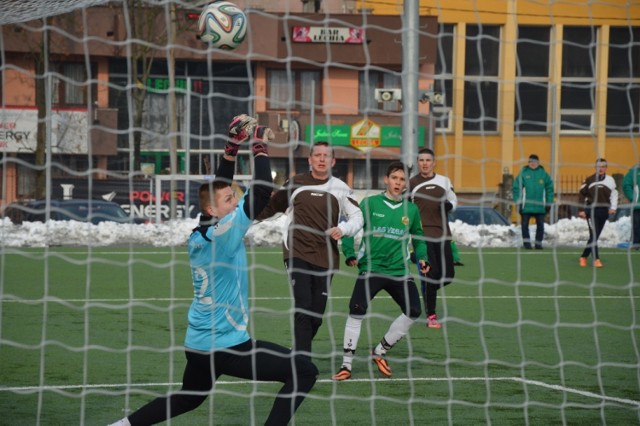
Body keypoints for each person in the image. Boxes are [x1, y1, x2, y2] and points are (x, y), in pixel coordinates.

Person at [108, 115, 318, 426]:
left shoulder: (201, 232)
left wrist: (232, 148)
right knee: (305, 371)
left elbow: (219, 188)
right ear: (212, 210)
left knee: (190, 397)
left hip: (198, 343)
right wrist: (259, 144)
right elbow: (261, 193)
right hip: (228, 345)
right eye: (230, 199)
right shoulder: (224, 232)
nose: (235, 202)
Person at [257, 142, 364, 359]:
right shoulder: (295, 183)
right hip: (297, 252)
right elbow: (270, 207)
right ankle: (300, 362)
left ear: (333, 161)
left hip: (326, 257)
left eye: (326, 156)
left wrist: (343, 229)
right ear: (310, 160)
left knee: (316, 315)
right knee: (304, 306)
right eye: (317, 155)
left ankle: (297, 352)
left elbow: (358, 217)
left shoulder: (341, 188)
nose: (322, 159)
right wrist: (240, 219)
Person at [332, 162, 429, 381]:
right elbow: (351, 227)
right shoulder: (370, 203)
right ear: (386, 179)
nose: (398, 183)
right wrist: (349, 253)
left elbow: (419, 238)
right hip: (372, 269)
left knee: (414, 310)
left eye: (402, 180)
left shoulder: (411, 210)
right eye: (395, 178)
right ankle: (346, 365)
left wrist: (422, 258)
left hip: (399, 271)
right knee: (356, 309)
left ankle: (380, 351)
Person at [409, 148, 457, 329]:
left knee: (448, 276)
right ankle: (431, 316)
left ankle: (428, 291)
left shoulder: (444, 181)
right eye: (421, 160)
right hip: (422, 236)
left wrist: (449, 205)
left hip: (443, 234)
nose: (425, 163)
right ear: (418, 162)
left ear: (434, 162)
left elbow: (454, 200)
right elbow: (406, 208)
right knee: (431, 276)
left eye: (428, 160)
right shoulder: (411, 183)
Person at [578, 158, 618, 268]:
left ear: (606, 168)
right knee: (594, 235)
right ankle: (596, 259)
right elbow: (581, 195)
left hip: (603, 211)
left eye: (603, 166)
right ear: (595, 167)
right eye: (599, 166)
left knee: (595, 236)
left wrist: (613, 207)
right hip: (591, 210)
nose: (601, 168)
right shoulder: (589, 179)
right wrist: (581, 210)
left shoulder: (610, 180)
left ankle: (584, 256)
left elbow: (614, 195)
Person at [512, 154, 555, 250]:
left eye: (534, 161)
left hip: (540, 206)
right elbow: (516, 188)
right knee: (524, 225)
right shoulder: (523, 174)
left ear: (538, 163)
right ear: (528, 163)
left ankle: (538, 243)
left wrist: (549, 202)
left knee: (540, 225)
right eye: (531, 161)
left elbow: (549, 189)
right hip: (526, 206)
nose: (533, 163)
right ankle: (527, 244)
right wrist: (518, 202)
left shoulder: (544, 174)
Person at [622, 162, 640, 250]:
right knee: (637, 225)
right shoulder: (633, 172)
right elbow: (626, 185)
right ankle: (636, 243)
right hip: (637, 206)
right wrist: (633, 198)